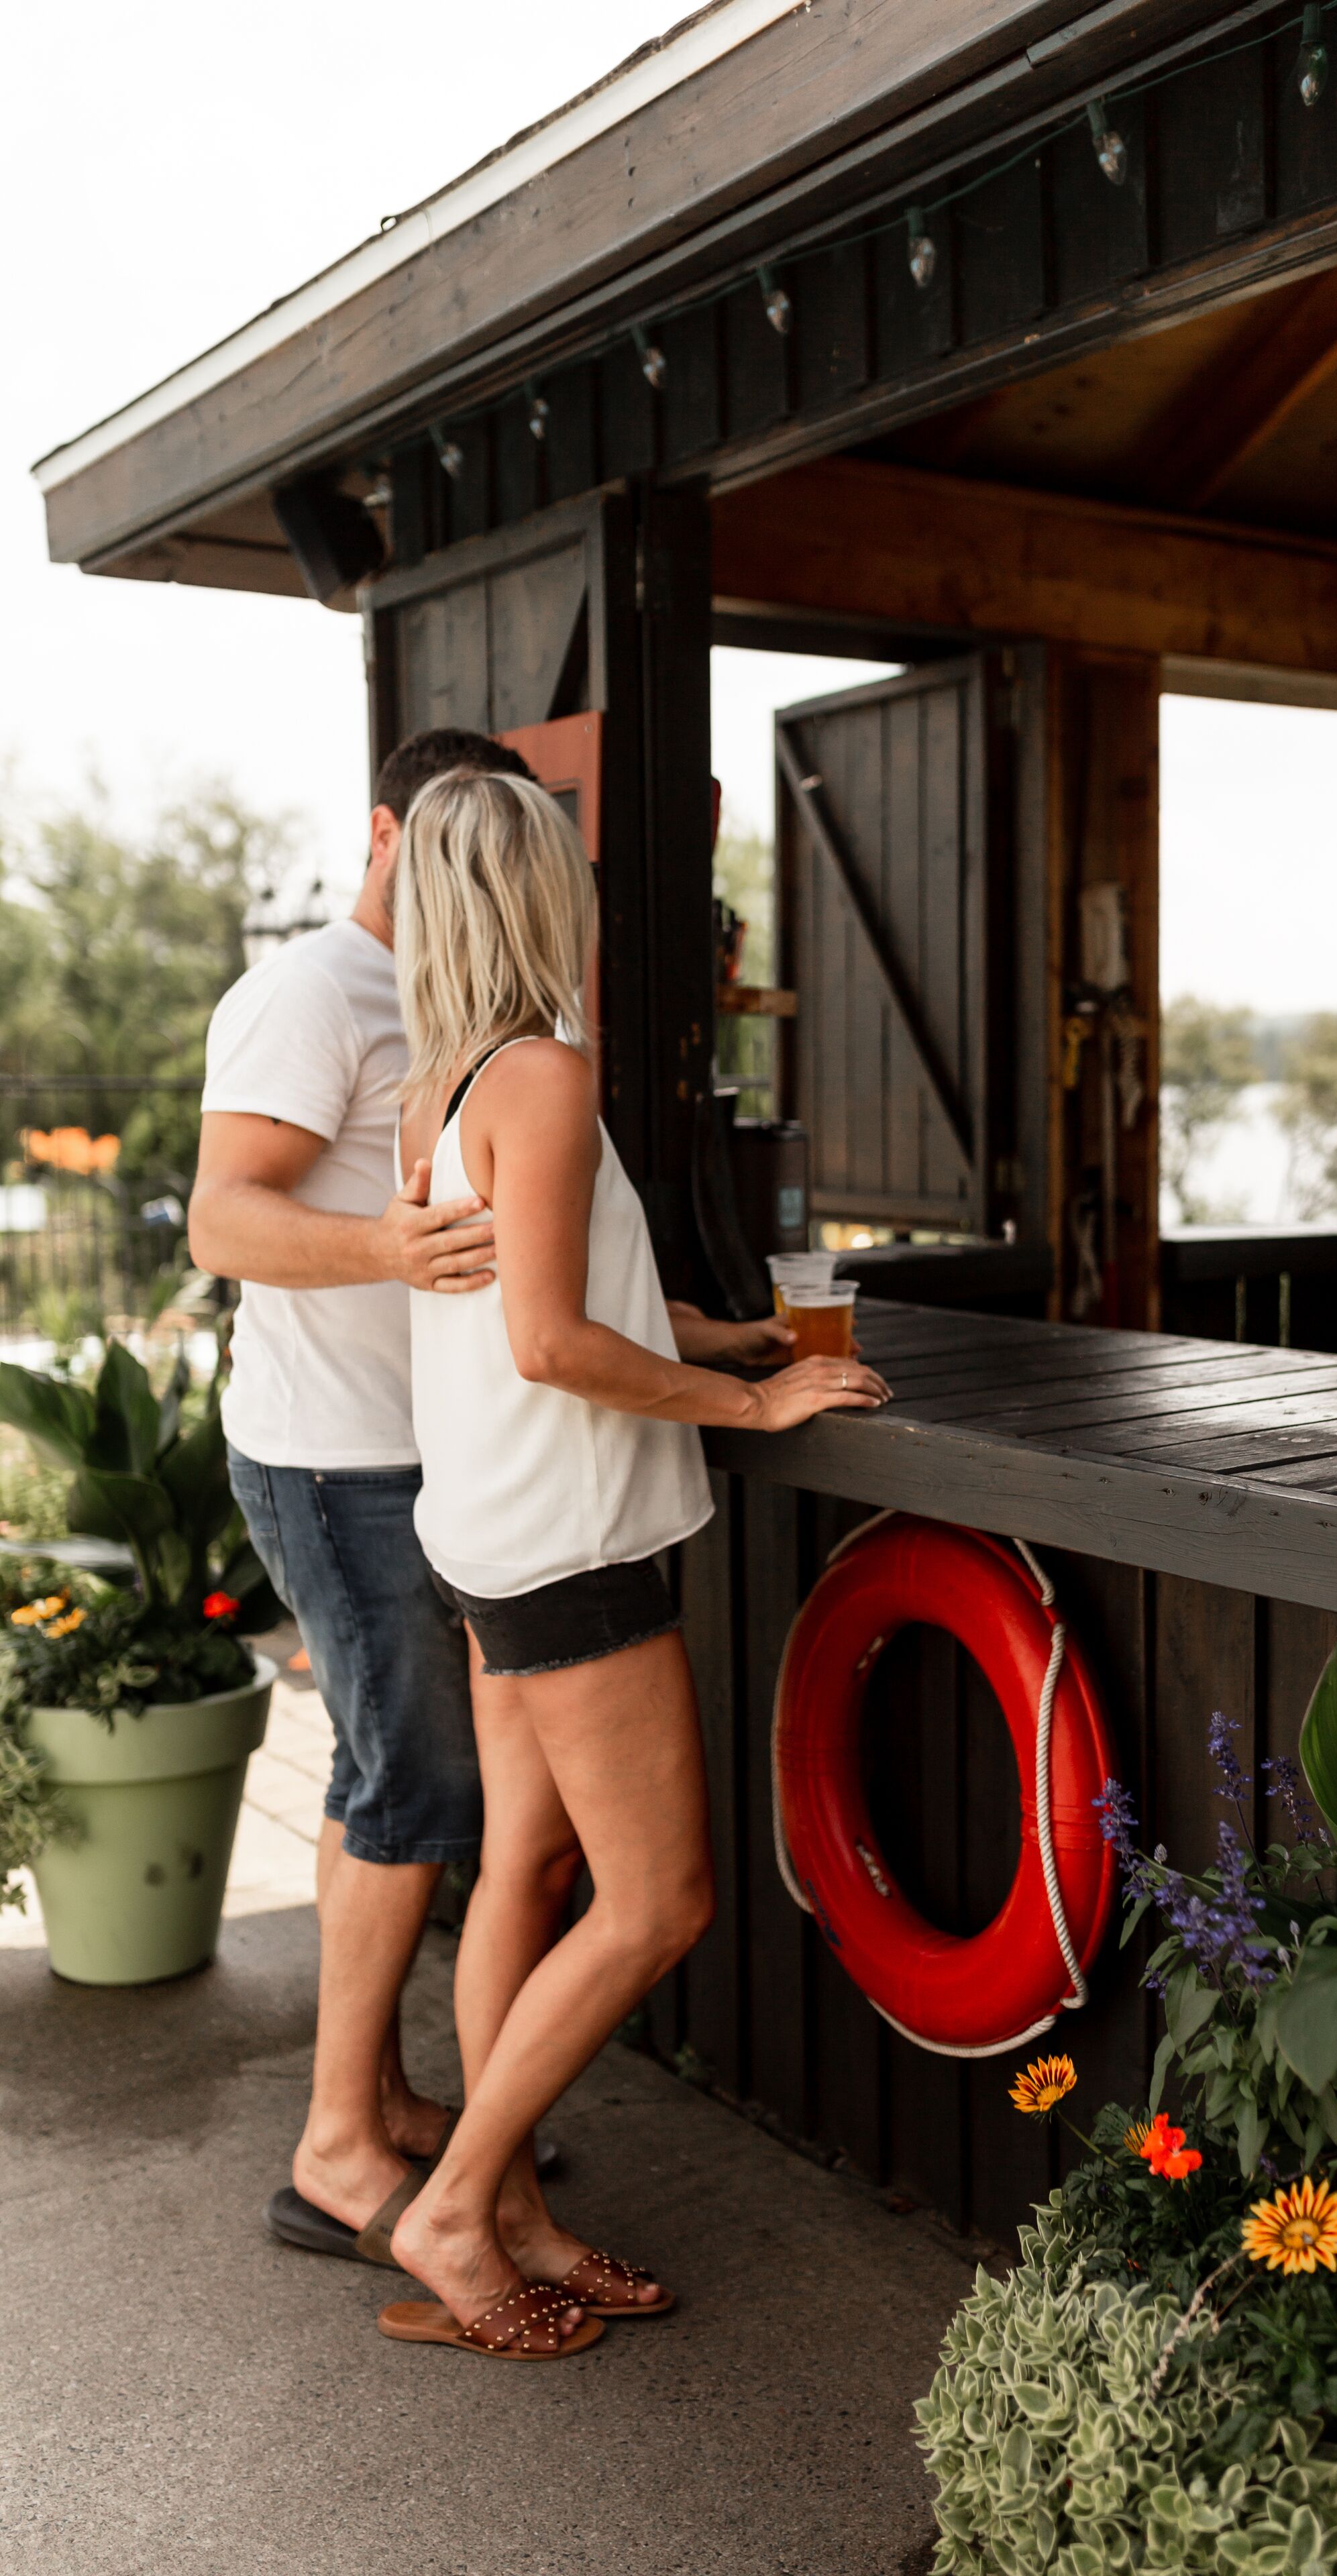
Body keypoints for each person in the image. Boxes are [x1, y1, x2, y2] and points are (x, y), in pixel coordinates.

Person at [376, 768, 889, 2359]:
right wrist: (754, 1396)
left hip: (487, 1536)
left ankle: (514, 2205)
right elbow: (547, 1341)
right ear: (544, 899)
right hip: (566, 1547)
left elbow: (553, 1295)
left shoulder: (443, 1083)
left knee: (528, 1879)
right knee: (659, 1901)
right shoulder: (545, 1076)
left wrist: (720, 1330)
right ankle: (456, 2205)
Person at [189, 727, 537, 2269]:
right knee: (413, 1790)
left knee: (374, 1776)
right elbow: (224, 1220)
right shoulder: (310, 993)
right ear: (389, 829)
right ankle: (335, 2149)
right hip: (335, 1460)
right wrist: (394, 1256)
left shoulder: (453, 1003)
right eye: (447, 834)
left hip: (412, 1455)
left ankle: (380, 2096)